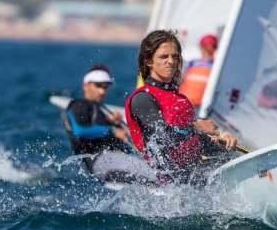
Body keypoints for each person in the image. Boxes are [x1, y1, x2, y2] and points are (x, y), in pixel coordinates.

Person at [125, 30, 238, 184]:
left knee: (234, 158)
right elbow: (163, 138)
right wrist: (198, 126)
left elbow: (194, 140)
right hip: (171, 184)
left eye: (175, 56)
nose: (171, 61)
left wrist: (224, 143)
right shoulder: (142, 99)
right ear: (149, 61)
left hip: (195, 173)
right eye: (164, 57)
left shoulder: (180, 99)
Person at [64, 64, 131, 173]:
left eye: (105, 87)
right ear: (86, 85)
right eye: (98, 86)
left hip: (115, 159)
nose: (102, 92)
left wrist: (114, 123)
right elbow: (80, 131)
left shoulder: (100, 110)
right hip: (98, 161)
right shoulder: (78, 105)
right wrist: (113, 130)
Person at [179, 33, 217, 108]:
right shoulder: (191, 63)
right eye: (206, 48)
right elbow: (180, 80)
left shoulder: (215, 66)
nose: (207, 51)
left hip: (201, 107)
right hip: (184, 104)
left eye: (210, 48)